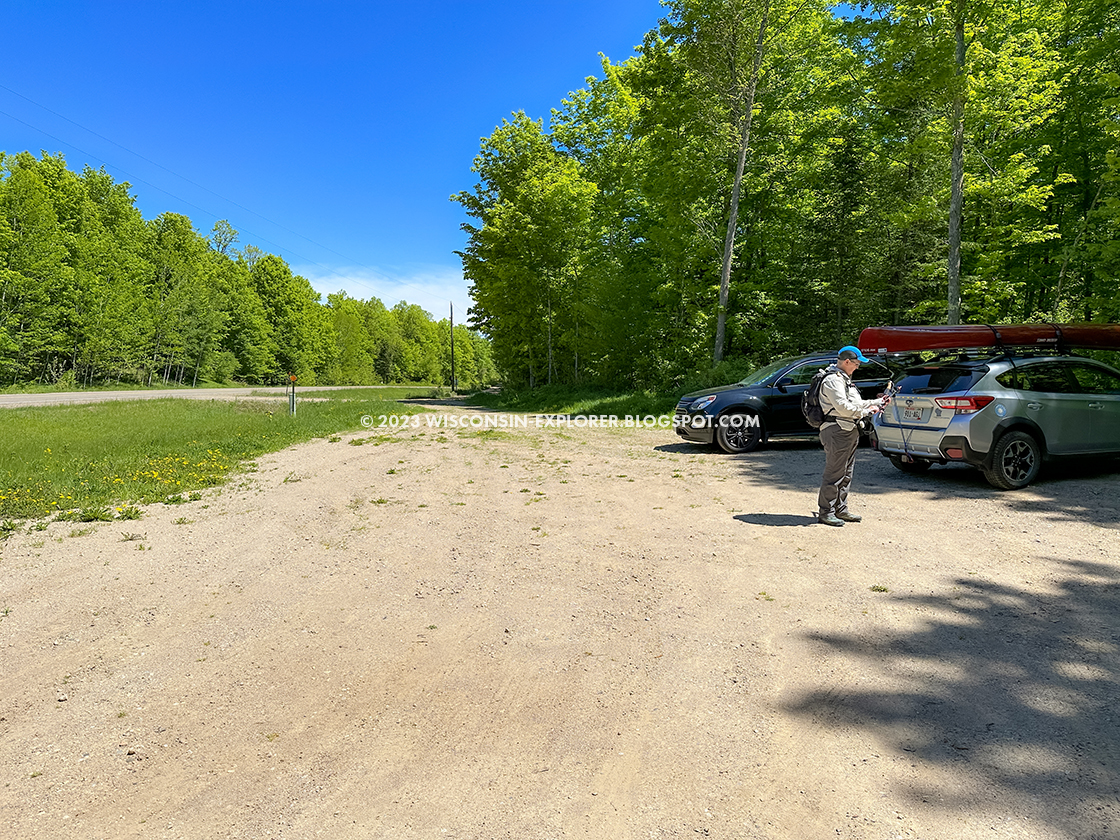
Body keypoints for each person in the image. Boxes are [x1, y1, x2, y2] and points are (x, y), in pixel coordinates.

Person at [816, 345, 885, 527]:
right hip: (837, 430)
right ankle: (826, 512)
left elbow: (857, 403)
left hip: (848, 429)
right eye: (856, 363)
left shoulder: (844, 379)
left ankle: (841, 509)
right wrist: (868, 411)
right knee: (834, 473)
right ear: (846, 362)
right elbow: (844, 408)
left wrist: (878, 402)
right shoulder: (833, 381)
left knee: (846, 472)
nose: (857, 367)